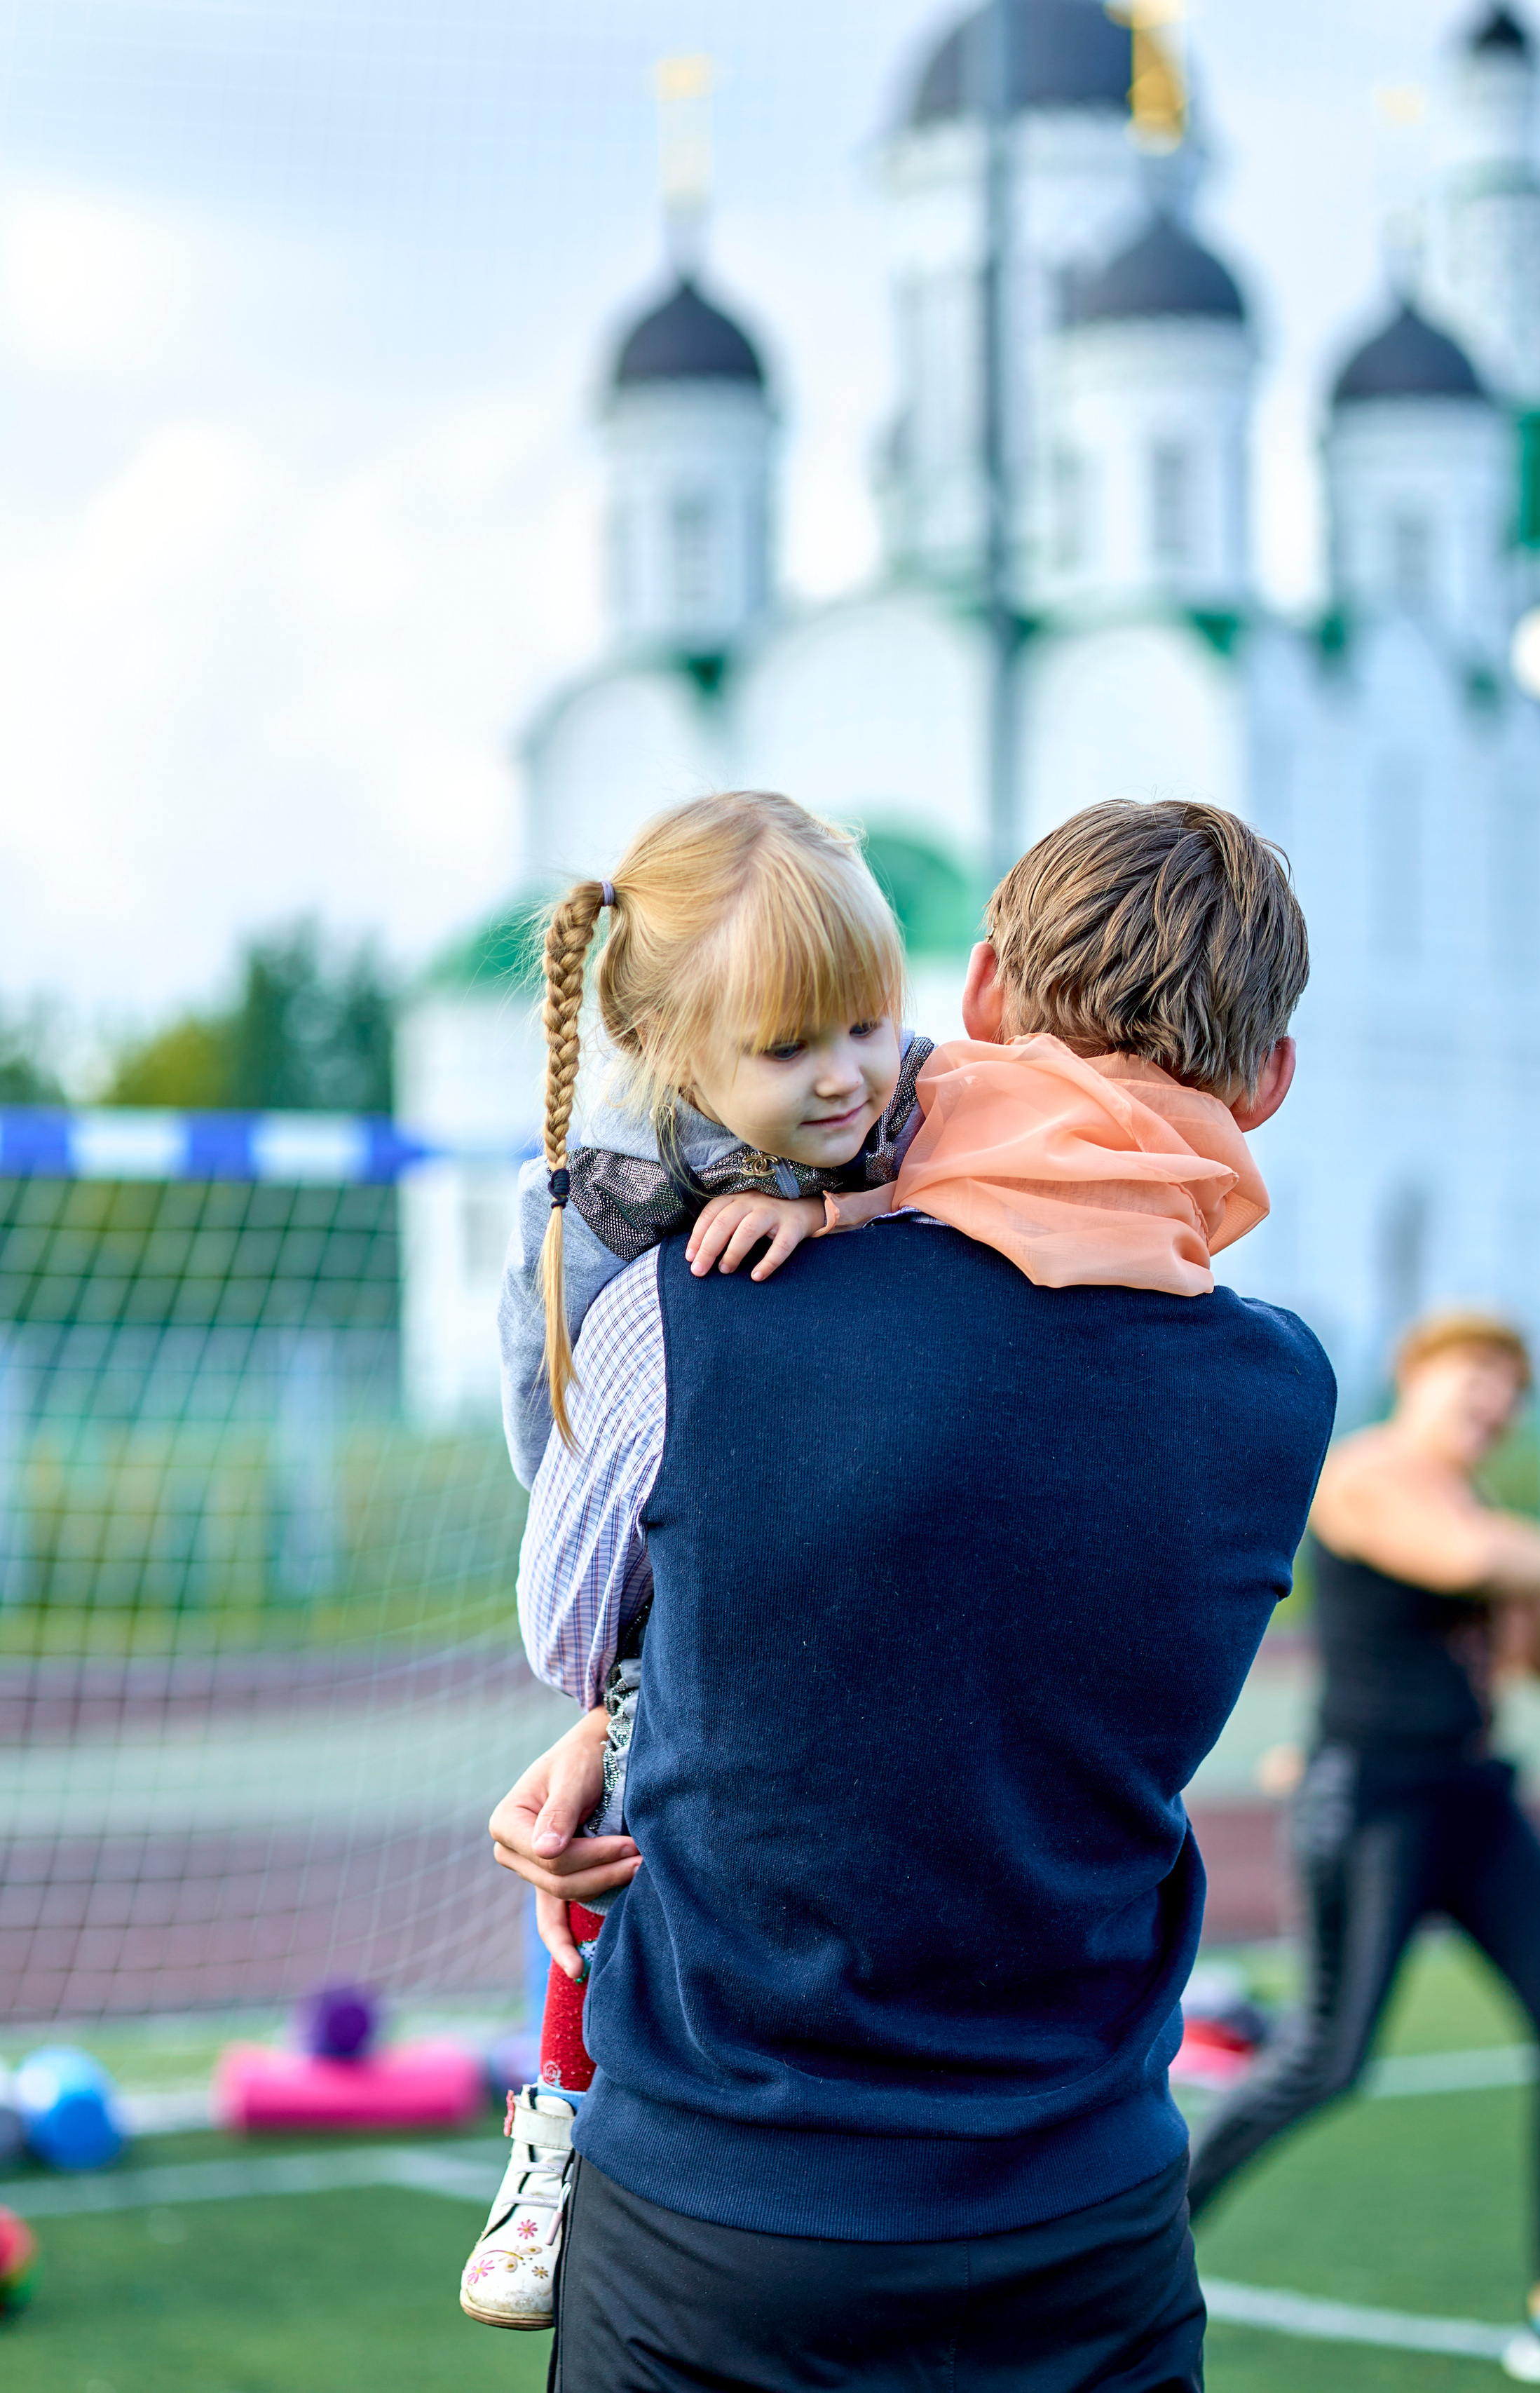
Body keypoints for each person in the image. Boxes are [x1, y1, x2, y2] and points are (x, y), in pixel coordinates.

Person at [488, 796, 1337, 2391]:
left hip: (723, 2224)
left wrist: (622, 1717)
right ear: (1268, 1080)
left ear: (981, 994)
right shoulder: (1280, 1390)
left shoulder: (697, 1301)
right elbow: (989, 1612)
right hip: (1090, 2227)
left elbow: (690, 1617)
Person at [463, 789, 934, 2326]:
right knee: (615, 1805)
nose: (848, 1072)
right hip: (657, 1555)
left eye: (866, 1021)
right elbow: (570, 1501)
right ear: (680, 1059)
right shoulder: (610, 1217)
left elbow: (984, 1152)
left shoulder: (912, 1107)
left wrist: (846, 1204)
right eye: (790, 1050)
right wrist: (605, 1691)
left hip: (861, 1567)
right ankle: (556, 2114)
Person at [1184, 1311, 1540, 2384]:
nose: (1495, 1404)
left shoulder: (1491, 1511)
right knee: (1326, 2059)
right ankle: (1119, 2251)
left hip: (1475, 1794)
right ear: (1416, 1378)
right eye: (1478, 1377)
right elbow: (1462, 1556)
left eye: (1512, 1391)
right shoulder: (1366, 1475)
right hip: (1374, 1802)